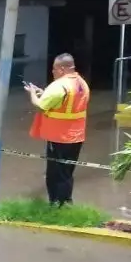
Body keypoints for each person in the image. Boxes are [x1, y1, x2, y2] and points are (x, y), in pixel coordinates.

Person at [24, 54, 90, 206]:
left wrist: (33, 93)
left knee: (55, 173)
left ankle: (56, 204)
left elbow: (40, 105)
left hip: (59, 136)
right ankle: (66, 202)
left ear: (61, 69)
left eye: (54, 68)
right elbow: (65, 102)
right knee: (67, 172)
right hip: (77, 136)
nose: (52, 72)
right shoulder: (81, 83)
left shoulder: (59, 85)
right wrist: (44, 92)